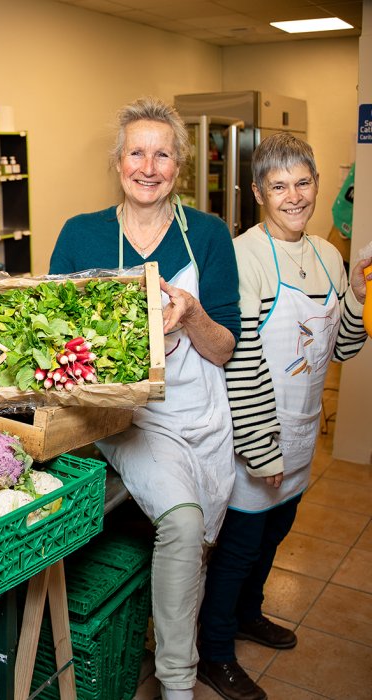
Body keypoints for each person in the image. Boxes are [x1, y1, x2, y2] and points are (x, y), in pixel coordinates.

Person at [48, 96, 241, 700]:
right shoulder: (82, 235)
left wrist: (192, 316)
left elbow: (226, 348)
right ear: (118, 161)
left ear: (179, 166)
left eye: (162, 154)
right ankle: (177, 684)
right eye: (137, 152)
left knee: (200, 539)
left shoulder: (208, 235)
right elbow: (52, 334)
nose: (148, 166)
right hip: (128, 417)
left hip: (199, 408)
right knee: (182, 526)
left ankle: (172, 638)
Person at [197, 134, 369, 700]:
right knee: (241, 544)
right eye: (278, 186)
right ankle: (214, 652)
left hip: (300, 431)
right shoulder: (244, 256)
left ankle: (250, 614)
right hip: (259, 435)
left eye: (303, 183)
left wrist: (360, 295)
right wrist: (262, 448)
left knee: (275, 535)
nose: (293, 196)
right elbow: (242, 364)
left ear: (317, 184)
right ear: (257, 193)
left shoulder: (327, 254)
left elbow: (339, 349)